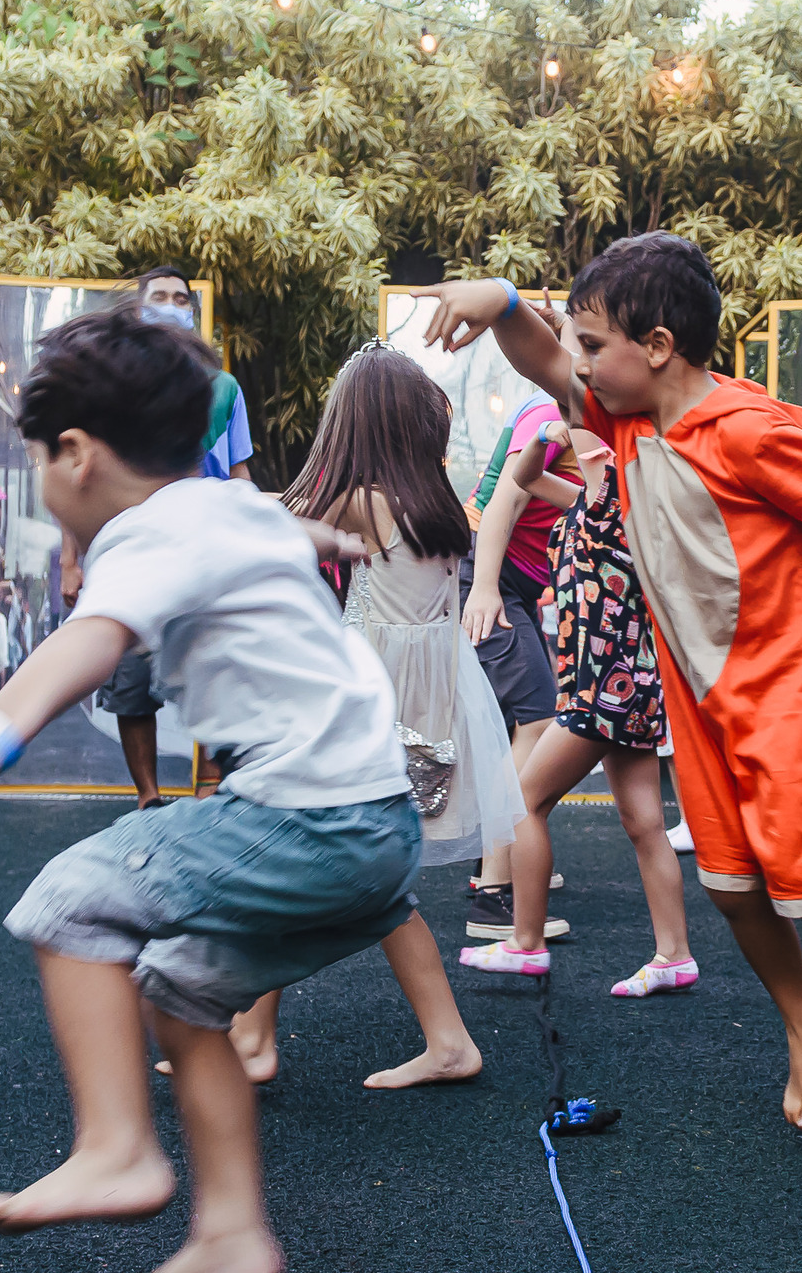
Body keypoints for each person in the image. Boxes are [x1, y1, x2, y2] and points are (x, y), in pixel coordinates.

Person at [0, 305, 415, 1273]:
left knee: (67, 896)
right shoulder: (229, 507)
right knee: (181, 982)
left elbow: (91, 638)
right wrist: (323, 547)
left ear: (78, 454)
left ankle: (117, 1146)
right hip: (377, 831)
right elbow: (286, 529)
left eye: (41, 462)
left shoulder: (147, 530)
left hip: (308, 816)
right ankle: (231, 1231)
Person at [418, 233, 802, 1128]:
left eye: (593, 345)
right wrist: (499, 299)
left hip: (783, 686)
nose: (576, 364)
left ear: (656, 346)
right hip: (695, 693)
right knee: (731, 882)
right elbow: (539, 352)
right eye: (579, 344)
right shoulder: (629, 419)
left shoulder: (749, 428)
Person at [166, 342, 518, 1092]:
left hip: (365, 721)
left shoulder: (362, 500)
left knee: (302, 864)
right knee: (349, 877)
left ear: (351, 426)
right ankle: (261, 1036)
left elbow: (276, 522)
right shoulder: (437, 508)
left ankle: (256, 1038)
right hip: (430, 718)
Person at [458, 371, 696, 995]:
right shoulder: (601, 504)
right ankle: (675, 955)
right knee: (644, 820)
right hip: (631, 688)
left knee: (523, 800)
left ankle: (526, 940)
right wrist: (547, 434)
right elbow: (527, 476)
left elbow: (568, 441)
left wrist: (570, 415)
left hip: (603, 688)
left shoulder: (614, 497)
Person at [60, 265, 255, 809]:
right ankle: (148, 796)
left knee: (214, 662)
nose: (171, 305)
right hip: (129, 548)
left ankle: (214, 784)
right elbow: (83, 479)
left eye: (179, 298)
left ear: (192, 312)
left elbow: (240, 476)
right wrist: (70, 560)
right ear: (141, 310)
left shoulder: (223, 388)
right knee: (131, 679)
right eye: (160, 297)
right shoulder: (112, 386)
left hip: (205, 549)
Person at [458, 388, 583, 939]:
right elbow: (507, 497)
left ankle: (503, 858)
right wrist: (484, 587)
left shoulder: (584, 418)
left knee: (519, 723)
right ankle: (492, 894)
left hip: (515, 582)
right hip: (489, 575)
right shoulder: (550, 412)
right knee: (536, 719)